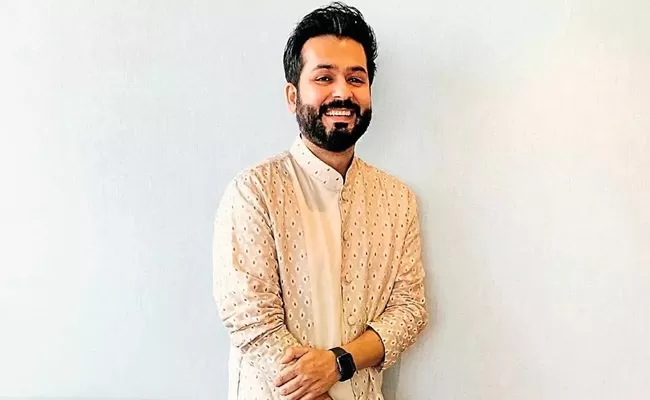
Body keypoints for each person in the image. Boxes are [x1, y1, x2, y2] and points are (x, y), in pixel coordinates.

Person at [212, 2, 428, 399]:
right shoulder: (255, 192)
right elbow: (251, 320)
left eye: (356, 79)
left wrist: (339, 362)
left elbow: (409, 309)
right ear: (292, 96)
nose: (342, 92)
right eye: (324, 77)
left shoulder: (398, 201)